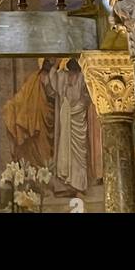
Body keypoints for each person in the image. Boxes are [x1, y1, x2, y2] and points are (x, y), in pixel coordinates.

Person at [47, 58, 91, 193]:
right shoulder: (63, 77)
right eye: (70, 71)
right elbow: (53, 77)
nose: (72, 75)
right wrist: (55, 64)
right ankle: (67, 178)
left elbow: (86, 94)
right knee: (65, 147)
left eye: (74, 72)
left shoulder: (82, 78)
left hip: (79, 116)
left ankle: (80, 183)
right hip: (66, 116)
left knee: (80, 152)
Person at [3, 58, 55, 168]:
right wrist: (11, 106)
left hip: (50, 116)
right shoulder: (34, 78)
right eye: (47, 61)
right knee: (37, 147)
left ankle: (45, 169)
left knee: (47, 149)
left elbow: (54, 94)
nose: (48, 63)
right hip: (37, 118)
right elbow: (23, 95)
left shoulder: (55, 77)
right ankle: (38, 169)